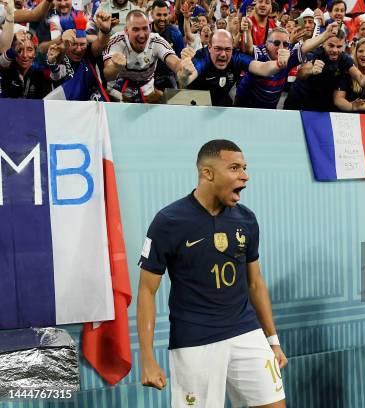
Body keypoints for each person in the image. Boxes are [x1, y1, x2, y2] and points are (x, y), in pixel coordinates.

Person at [137, 139, 287, 408]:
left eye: (244, 167)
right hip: (194, 341)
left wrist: (272, 341)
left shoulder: (247, 219)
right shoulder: (168, 221)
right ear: (207, 173)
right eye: (234, 168)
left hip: (246, 332)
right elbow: (147, 291)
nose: (244, 175)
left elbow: (255, 283)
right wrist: (147, 358)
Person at [180, 29, 290, 106]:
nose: (223, 54)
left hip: (220, 101)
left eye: (227, 49)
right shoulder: (202, 58)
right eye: (218, 48)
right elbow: (185, 79)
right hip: (193, 101)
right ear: (209, 47)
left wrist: (278, 64)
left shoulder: (237, 57)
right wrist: (185, 73)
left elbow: (262, 67)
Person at [103, 9, 191, 102]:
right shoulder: (115, 41)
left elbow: (175, 63)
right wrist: (115, 67)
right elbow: (108, 75)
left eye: (145, 28)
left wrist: (183, 67)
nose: (141, 35)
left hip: (146, 92)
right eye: (136, 29)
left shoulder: (156, 41)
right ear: (126, 30)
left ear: (150, 27)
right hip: (117, 92)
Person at [283, 29, 365, 112]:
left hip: (322, 105)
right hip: (298, 101)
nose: (335, 50)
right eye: (331, 45)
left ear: (344, 45)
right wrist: (311, 70)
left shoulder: (345, 58)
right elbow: (301, 73)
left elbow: (359, 78)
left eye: (339, 47)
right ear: (323, 44)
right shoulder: (315, 53)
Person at [333, 37, 365, 113]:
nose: (364, 54)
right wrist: (352, 107)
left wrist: (358, 108)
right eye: (360, 51)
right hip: (343, 114)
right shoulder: (346, 70)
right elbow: (338, 99)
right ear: (355, 53)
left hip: (364, 117)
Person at [150, 0, 185, 91]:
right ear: (151, 14)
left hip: (168, 76)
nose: (162, 18)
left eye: (165, 15)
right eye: (158, 15)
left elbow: (180, 60)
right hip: (147, 77)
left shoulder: (176, 33)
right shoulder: (145, 32)